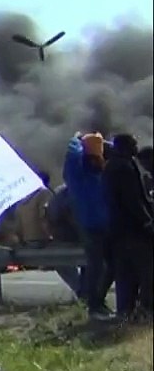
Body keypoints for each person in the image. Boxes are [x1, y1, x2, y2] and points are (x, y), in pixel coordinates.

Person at [63, 133, 115, 320]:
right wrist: (78, 137)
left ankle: (98, 302)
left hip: (106, 226)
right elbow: (72, 149)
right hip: (91, 227)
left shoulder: (100, 173)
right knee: (97, 267)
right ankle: (94, 306)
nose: (97, 160)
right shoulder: (78, 173)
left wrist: (100, 143)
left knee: (111, 266)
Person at [102, 134, 154, 320]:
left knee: (125, 274)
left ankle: (126, 311)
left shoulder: (112, 165)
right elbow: (133, 200)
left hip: (119, 230)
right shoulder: (123, 167)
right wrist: (147, 222)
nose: (136, 147)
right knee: (147, 270)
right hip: (132, 229)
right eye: (133, 144)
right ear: (124, 146)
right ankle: (145, 309)